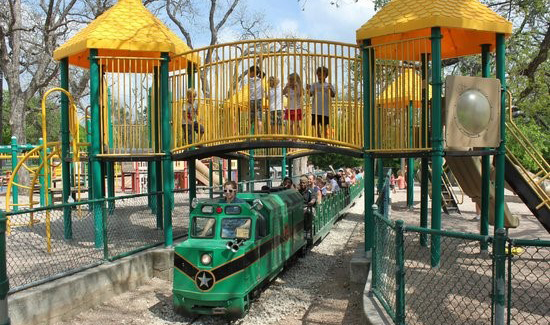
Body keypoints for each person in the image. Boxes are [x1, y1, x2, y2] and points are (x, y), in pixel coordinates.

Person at [306, 66, 335, 138]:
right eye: (318, 75)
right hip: (315, 110)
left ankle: (325, 141)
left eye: (322, 75)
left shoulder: (328, 85)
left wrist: (330, 90)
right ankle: (318, 140)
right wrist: (308, 89)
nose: (320, 76)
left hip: (324, 110)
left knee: (324, 126)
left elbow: (333, 95)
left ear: (325, 76)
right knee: (316, 126)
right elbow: (310, 94)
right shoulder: (314, 85)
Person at [243, 66, 264, 134]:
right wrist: (258, 70)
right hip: (259, 100)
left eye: (249, 72)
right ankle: (259, 136)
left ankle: (248, 135)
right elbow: (263, 74)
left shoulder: (249, 79)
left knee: (250, 119)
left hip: (252, 100)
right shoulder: (260, 78)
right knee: (259, 119)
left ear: (252, 72)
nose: (248, 73)